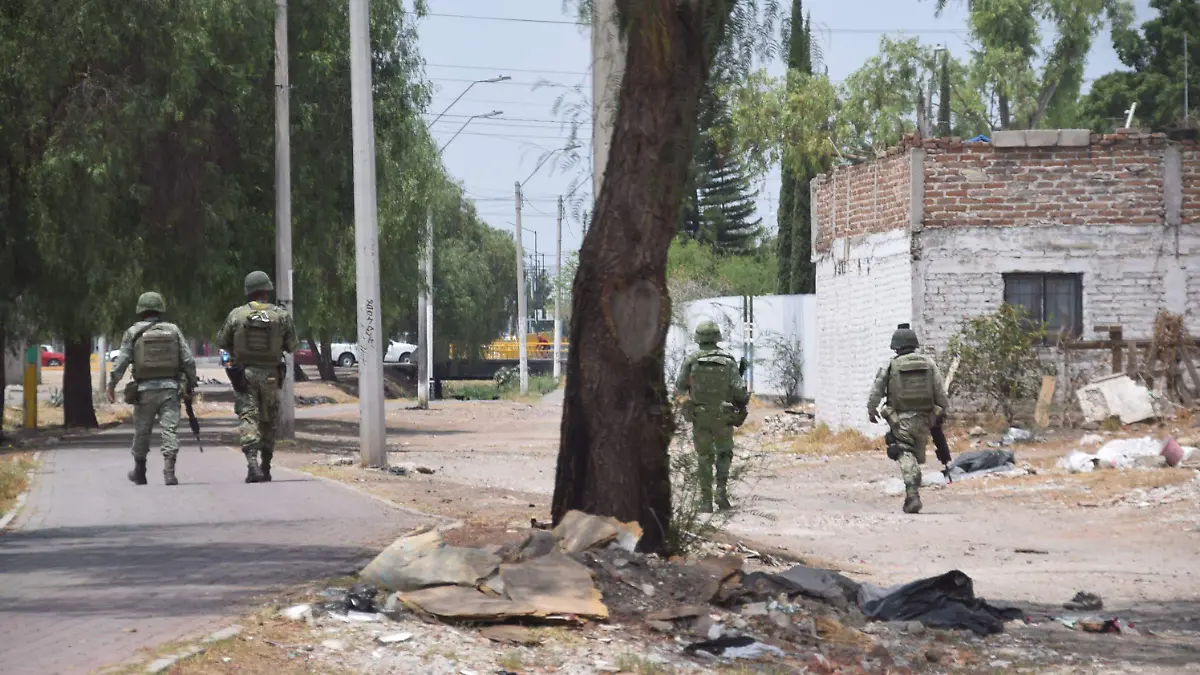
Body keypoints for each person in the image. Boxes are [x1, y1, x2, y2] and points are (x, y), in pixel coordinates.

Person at [107, 292, 197, 486]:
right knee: (169, 430)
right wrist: (191, 383)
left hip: (144, 390)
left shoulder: (133, 332)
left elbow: (121, 361)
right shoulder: (173, 330)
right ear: (160, 310)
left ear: (141, 310)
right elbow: (188, 360)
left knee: (142, 431)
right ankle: (169, 472)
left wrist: (111, 384)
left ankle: (140, 471)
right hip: (170, 389)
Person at [216, 270, 298, 483]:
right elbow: (292, 346)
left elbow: (222, 342)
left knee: (248, 417)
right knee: (269, 420)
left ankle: (252, 464)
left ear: (248, 291)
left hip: (246, 375)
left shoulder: (237, 315)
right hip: (271, 375)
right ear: (266, 290)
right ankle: (266, 466)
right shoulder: (280, 316)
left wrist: (235, 358)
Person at [867, 323, 950, 514]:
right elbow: (940, 392)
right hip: (925, 419)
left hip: (900, 420)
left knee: (905, 453)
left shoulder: (891, 365)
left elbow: (877, 389)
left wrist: (872, 410)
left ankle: (912, 495)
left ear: (896, 346)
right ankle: (913, 486)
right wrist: (941, 413)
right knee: (916, 457)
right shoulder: (929, 363)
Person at [675, 320, 749, 513]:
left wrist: (689, 406)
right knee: (724, 453)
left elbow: (679, 389)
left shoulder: (691, 361)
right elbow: (740, 392)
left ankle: (705, 501)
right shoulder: (729, 361)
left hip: (700, 416)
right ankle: (721, 492)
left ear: (698, 338)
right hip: (723, 416)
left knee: (704, 456)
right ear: (717, 338)